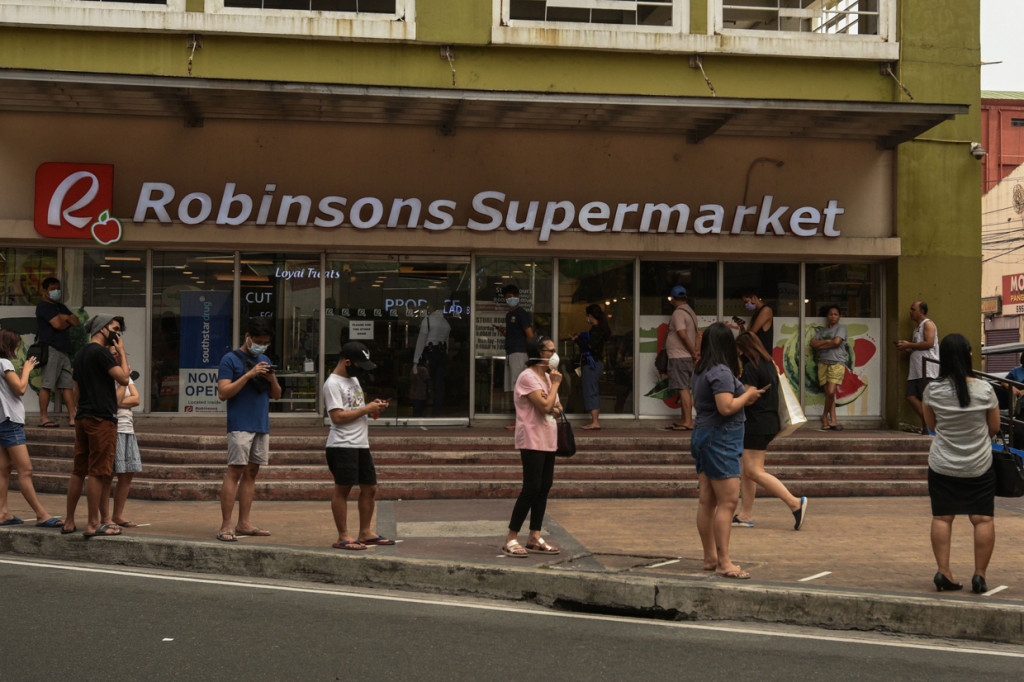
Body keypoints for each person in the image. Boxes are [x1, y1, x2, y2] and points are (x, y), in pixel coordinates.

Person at [922, 333, 1000, 594]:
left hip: (942, 464)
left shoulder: (932, 390)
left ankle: (943, 572)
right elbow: (994, 427)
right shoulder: (985, 390)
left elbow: (932, 426)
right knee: (982, 520)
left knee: (942, 518)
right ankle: (979, 576)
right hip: (978, 465)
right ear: (968, 355)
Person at [691, 322, 765, 579]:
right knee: (728, 502)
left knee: (708, 500)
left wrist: (744, 394)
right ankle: (724, 562)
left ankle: (711, 557)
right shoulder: (721, 371)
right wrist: (747, 395)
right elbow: (725, 406)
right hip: (721, 439)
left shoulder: (701, 370)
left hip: (704, 435)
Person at [63, 314, 131, 538]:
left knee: (78, 471)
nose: (117, 333)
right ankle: (93, 523)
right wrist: (120, 351)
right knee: (98, 472)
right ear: (102, 329)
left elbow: (76, 388)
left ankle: (69, 521)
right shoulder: (101, 352)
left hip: (83, 416)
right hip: (101, 418)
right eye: (115, 328)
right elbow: (123, 379)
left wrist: (75, 413)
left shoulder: (81, 353)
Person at [732, 332, 807, 530]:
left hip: (755, 423)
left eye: (738, 349)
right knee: (747, 471)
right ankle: (745, 514)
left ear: (744, 349)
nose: (738, 354)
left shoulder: (750, 367)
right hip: (768, 422)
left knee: (753, 471)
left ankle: (794, 503)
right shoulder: (769, 364)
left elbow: (747, 398)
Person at [323, 341, 394, 550]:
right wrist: (365, 410)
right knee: (342, 489)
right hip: (342, 444)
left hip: (361, 443)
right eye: (359, 365)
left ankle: (365, 532)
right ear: (347, 362)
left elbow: (354, 408)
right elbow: (336, 417)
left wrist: (373, 410)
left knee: (370, 487)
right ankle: (343, 536)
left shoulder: (353, 379)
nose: (362, 370)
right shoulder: (332, 383)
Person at [215, 317, 282, 542]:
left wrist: (271, 378)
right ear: (248, 337)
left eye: (266, 342)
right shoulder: (229, 360)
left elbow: (277, 395)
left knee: (252, 473)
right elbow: (223, 393)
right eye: (258, 341)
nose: (262, 345)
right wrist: (248, 375)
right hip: (240, 424)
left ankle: (244, 522)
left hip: (261, 423)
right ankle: (226, 524)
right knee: (235, 471)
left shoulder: (264, 359)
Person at [503, 336, 562, 557]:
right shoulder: (527, 377)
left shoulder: (547, 377)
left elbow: (558, 408)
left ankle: (534, 535)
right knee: (531, 487)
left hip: (548, 438)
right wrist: (554, 388)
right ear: (538, 353)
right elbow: (547, 406)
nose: (554, 355)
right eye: (550, 350)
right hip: (531, 438)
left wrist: (551, 397)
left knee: (544, 487)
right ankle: (511, 537)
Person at [0, 329, 60, 528]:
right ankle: (41, 514)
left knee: (4, 470)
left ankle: (2, 513)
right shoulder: (4, 363)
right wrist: (26, 370)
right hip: (10, 422)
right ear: (8, 346)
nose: (16, 350)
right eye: (15, 346)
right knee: (25, 470)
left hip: (1, 422)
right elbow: (20, 389)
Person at [101, 354, 141, 529]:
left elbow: (136, 399)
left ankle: (118, 515)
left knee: (127, 474)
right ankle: (105, 517)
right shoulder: (107, 378)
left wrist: (118, 402)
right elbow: (114, 401)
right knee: (107, 475)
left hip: (128, 429)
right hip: (112, 428)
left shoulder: (126, 379)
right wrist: (120, 398)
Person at [35, 277, 79, 428]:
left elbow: (76, 321)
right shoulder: (43, 307)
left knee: (67, 384)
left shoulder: (61, 307)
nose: (56, 292)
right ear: (45, 291)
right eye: (53, 289)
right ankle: (43, 418)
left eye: (58, 289)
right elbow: (58, 325)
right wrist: (65, 319)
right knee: (47, 384)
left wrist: (64, 317)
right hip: (51, 348)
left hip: (64, 350)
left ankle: (73, 417)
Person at [896, 301, 939, 434]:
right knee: (911, 396)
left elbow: (930, 343)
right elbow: (919, 347)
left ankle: (928, 425)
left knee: (925, 398)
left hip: (927, 368)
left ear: (921, 311)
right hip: (916, 369)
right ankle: (928, 423)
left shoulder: (928, 324)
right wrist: (907, 347)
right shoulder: (917, 328)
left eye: (913, 309)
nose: (910, 312)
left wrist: (910, 344)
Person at [496, 284, 534, 429]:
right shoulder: (509, 315)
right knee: (514, 388)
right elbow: (515, 335)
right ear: (505, 299)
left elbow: (529, 336)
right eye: (508, 297)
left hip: (519, 354)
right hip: (511, 353)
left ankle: (521, 421)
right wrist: (503, 333)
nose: (511, 299)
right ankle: (520, 420)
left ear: (519, 297)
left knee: (520, 388)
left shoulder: (521, 314)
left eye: (514, 296)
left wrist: (529, 352)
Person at [664, 286, 699, 432]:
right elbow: (697, 335)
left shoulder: (678, 313)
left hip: (679, 356)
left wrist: (693, 352)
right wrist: (694, 352)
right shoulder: (690, 312)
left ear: (672, 299)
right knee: (686, 389)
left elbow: (682, 334)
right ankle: (685, 419)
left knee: (683, 389)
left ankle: (688, 421)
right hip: (686, 356)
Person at [809, 305, 848, 431]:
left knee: (831, 392)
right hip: (823, 363)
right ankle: (834, 421)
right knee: (829, 394)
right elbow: (812, 343)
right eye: (831, 314)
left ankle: (825, 416)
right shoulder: (822, 331)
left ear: (839, 316)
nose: (833, 316)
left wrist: (821, 346)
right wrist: (827, 341)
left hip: (837, 362)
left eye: (835, 314)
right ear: (827, 316)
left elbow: (837, 342)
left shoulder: (841, 328)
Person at [573, 303, 610, 430]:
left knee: (590, 391)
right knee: (592, 390)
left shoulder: (596, 330)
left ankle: (594, 421)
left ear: (590, 315)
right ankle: (594, 420)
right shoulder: (602, 328)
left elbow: (590, 346)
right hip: (596, 363)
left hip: (591, 363)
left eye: (587, 315)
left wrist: (577, 340)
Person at [412, 301, 451, 417]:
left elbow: (420, 342)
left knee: (423, 383)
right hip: (441, 354)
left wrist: (415, 361)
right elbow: (447, 343)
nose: (427, 309)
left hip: (429, 354)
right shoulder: (446, 323)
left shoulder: (427, 320)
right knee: (439, 384)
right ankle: (436, 410)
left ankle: (420, 410)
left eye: (428, 306)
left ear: (432, 307)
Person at [735, 291, 774, 361]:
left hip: (762, 356)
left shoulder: (766, 310)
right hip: (755, 355)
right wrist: (741, 327)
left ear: (754, 298)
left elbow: (752, 333)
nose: (746, 305)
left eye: (747, 302)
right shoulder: (755, 314)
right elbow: (748, 335)